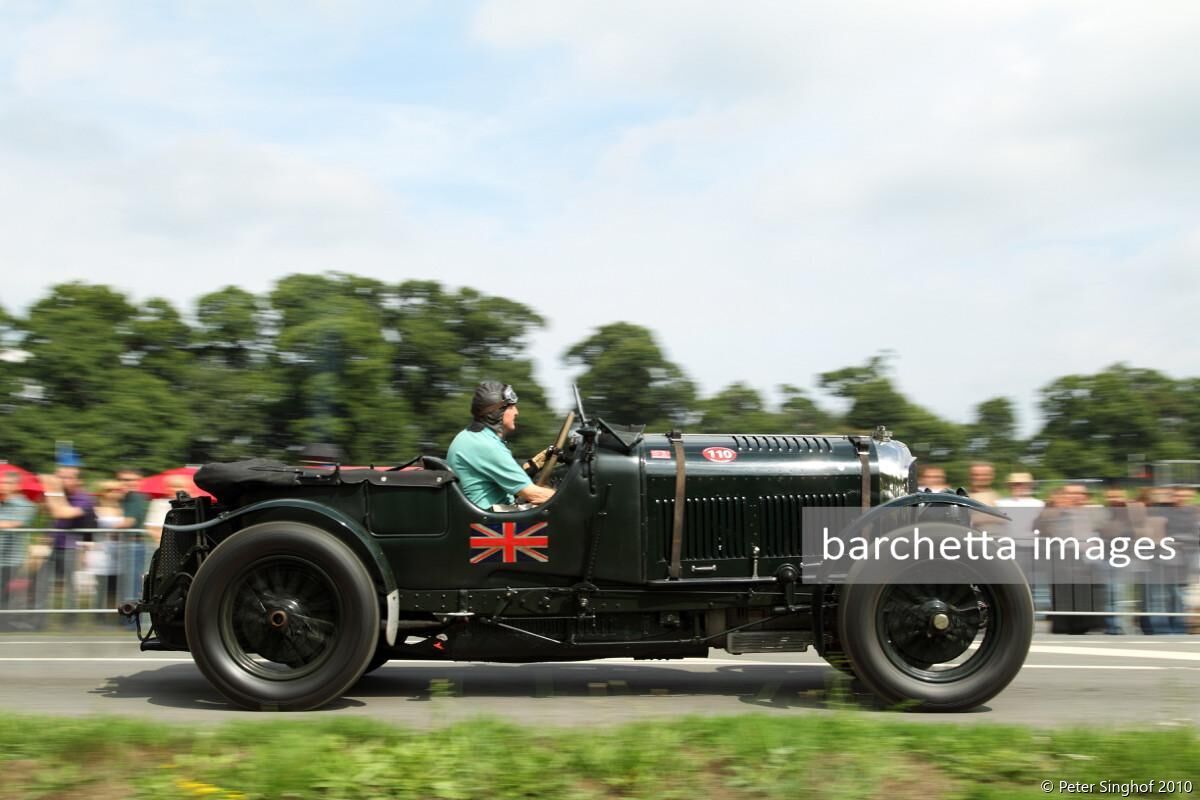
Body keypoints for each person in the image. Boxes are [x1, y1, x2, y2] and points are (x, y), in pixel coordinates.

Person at [446, 381, 555, 511]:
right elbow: (533, 494)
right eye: (511, 407)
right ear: (496, 411)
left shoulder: (472, 437)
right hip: (490, 519)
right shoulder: (486, 445)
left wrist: (533, 465)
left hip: (485, 514)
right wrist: (568, 496)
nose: (516, 412)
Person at [0, 472, 35, 610]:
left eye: (7, 483)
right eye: (1, 482)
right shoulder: (2, 504)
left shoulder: (26, 505)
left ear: (17, 486)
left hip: (10, 560)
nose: (2, 485)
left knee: (4, 595)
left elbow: (15, 523)